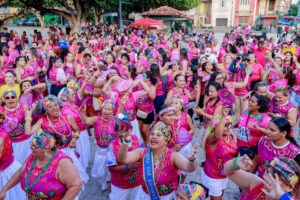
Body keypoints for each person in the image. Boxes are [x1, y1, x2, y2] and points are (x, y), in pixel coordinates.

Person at [117, 121, 199, 200]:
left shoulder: (173, 156)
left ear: (166, 141)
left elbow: (188, 167)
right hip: (144, 196)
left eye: (159, 135)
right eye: (152, 134)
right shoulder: (142, 152)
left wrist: (192, 160)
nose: (154, 137)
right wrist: (126, 141)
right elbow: (122, 159)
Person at [0, 129, 82, 200]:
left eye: (34, 147)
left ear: (46, 149)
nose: (31, 148)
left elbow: (76, 185)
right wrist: (5, 189)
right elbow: (20, 173)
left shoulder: (62, 162)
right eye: (31, 145)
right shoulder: (33, 156)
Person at [200, 106, 237, 200]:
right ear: (216, 127)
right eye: (225, 125)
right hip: (213, 177)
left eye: (229, 124)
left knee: (221, 194)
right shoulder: (213, 139)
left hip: (224, 175)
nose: (228, 127)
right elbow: (217, 136)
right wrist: (223, 117)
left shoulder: (230, 136)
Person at [224, 156, 300, 200]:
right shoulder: (258, 185)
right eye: (267, 172)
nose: (266, 178)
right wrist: (235, 163)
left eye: (274, 178)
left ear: (289, 187)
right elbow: (230, 173)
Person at [236, 94, 271, 160]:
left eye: (253, 102)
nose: (249, 102)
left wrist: (259, 128)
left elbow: (270, 133)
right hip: (240, 146)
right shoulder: (246, 111)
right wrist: (233, 126)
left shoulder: (265, 119)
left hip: (252, 150)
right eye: (250, 100)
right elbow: (242, 123)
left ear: (259, 106)